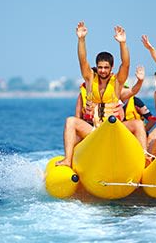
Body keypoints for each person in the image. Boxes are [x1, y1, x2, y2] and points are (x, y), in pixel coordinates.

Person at [56, 22, 147, 167]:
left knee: (138, 124)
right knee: (70, 121)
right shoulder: (90, 79)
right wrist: (81, 40)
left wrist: (123, 44)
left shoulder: (117, 81)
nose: (102, 70)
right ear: (96, 67)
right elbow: (83, 60)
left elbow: (126, 64)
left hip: (114, 129)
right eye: (100, 67)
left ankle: (144, 161)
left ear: (111, 68)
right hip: (94, 130)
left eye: (106, 67)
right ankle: (68, 160)